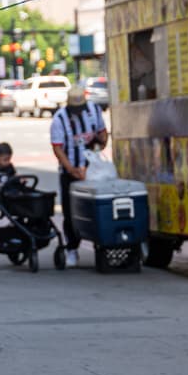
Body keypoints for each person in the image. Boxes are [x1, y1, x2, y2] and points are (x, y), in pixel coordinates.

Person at [50, 84, 109, 268]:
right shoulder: (59, 119)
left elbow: (102, 132)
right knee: (70, 211)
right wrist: (72, 170)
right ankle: (72, 248)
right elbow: (58, 148)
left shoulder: (93, 110)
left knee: (97, 208)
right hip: (71, 170)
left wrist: (101, 143)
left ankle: (100, 244)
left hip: (93, 169)